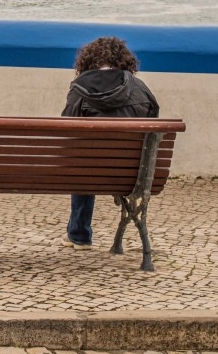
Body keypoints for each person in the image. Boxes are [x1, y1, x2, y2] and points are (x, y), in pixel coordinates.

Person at [61, 35, 160, 248]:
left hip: (88, 173)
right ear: (124, 61)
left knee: (83, 161)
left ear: (87, 61)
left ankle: (79, 234)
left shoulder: (79, 88)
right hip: (131, 172)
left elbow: (67, 127)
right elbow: (153, 124)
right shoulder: (140, 88)